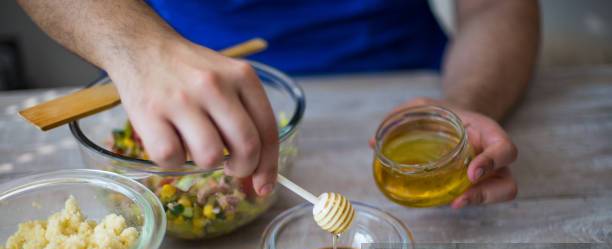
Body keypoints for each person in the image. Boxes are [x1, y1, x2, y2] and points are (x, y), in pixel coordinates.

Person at [18, 0, 539, 208]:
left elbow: (498, 7)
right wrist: (140, 49)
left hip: (402, 81)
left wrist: (464, 103)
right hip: (169, 83)